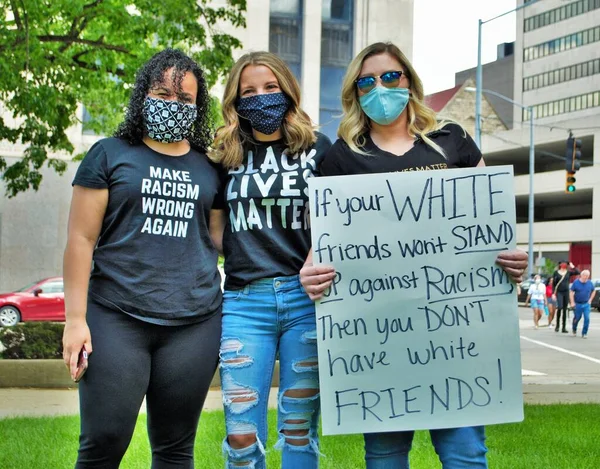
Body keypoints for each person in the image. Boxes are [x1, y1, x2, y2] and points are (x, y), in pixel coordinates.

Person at [299, 42, 528, 469]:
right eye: (367, 81)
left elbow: (493, 224)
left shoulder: (452, 141)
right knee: (385, 457)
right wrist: (310, 273)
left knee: (466, 456)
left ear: (409, 81)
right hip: (378, 344)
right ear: (355, 92)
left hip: (456, 342)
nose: (380, 88)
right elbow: (322, 244)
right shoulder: (342, 157)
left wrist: (513, 257)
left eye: (390, 77)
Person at [62, 49, 224, 468]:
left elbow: (219, 238)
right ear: (143, 95)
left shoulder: (210, 165)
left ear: (198, 105)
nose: (173, 104)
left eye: (184, 98)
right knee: (104, 440)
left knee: (175, 449)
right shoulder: (109, 154)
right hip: (117, 316)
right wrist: (75, 320)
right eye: (162, 93)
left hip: (194, 322)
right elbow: (80, 239)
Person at [209, 51, 331, 469]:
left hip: (306, 303)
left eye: (270, 87)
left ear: (287, 91)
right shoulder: (224, 155)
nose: (260, 96)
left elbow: (337, 220)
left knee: (298, 430)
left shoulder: (318, 149)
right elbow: (214, 230)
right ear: (235, 100)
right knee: (241, 435)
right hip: (244, 304)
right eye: (248, 90)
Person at [552, 261, 580, 333]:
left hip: (566, 292)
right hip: (559, 292)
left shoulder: (568, 272)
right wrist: (553, 293)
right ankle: (557, 326)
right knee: (560, 307)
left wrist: (572, 266)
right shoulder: (556, 272)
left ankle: (563, 327)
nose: (564, 265)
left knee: (565, 309)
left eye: (565, 264)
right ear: (560, 265)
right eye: (562, 263)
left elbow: (577, 272)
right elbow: (554, 284)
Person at [570, 269, 596, 338]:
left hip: (586, 304)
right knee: (577, 318)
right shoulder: (576, 282)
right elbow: (571, 292)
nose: (586, 277)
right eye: (585, 276)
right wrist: (572, 302)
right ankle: (574, 329)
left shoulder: (590, 283)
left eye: (588, 276)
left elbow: (593, 291)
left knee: (587, 318)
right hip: (577, 303)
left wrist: (590, 299)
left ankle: (584, 333)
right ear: (582, 275)